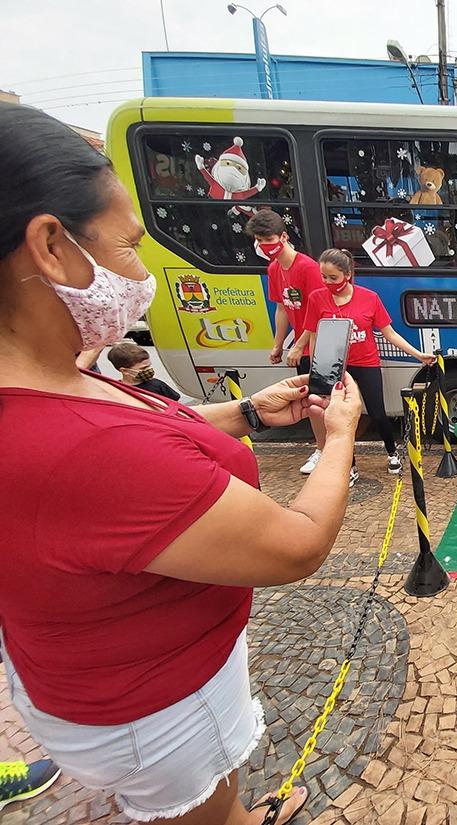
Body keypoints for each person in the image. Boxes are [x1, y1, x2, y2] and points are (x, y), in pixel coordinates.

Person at [0, 101, 363, 824]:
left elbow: (145, 427)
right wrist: (341, 434)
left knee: (215, 800)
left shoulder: (51, 375)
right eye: (131, 245)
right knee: (204, 810)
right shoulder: (79, 449)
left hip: (113, 682)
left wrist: (249, 413)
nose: (142, 271)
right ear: (50, 246)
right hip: (157, 708)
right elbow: (295, 545)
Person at [301, 248, 435, 483]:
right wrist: (317, 369)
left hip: (367, 363)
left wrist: (417, 355)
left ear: (348, 274)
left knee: (377, 412)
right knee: (341, 418)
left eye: (333, 277)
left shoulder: (369, 298)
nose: (328, 282)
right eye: (323, 277)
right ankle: (349, 466)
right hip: (335, 368)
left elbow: (390, 333)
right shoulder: (316, 298)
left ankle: (392, 453)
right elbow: (314, 335)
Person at [245, 208, 326, 474]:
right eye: (259, 241)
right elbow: (281, 308)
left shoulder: (308, 268)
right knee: (312, 400)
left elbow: (318, 313)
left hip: (320, 346)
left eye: (269, 240)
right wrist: (278, 344)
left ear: (283, 236)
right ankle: (321, 449)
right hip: (302, 348)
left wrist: (300, 345)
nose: (265, 246)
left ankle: (327, 451)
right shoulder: (274, 269)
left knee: (319, 400)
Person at [106, 340, 181, 401]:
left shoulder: (157, 385)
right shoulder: (116, 390)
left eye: (149, 366)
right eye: (143, 368)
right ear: (125, 371)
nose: (148, 370)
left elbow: (176, 404)